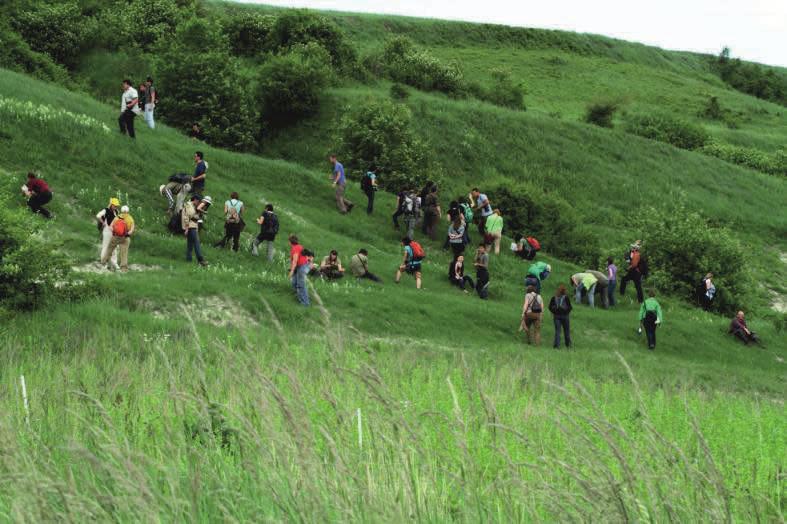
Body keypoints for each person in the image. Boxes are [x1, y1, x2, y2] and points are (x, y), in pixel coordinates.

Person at [101, 205, 135, 272]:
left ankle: (103, 262)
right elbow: (131, 230)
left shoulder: (117, 217)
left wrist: (115, 231)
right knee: (124, 253)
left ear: (121, 211)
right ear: (128, 211)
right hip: (125, 238)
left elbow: (111, 227)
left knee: (109, 250)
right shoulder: (130, 219)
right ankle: (123, 268)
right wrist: (127, 233)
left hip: (115, 237)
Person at [182, 194, 208, 266]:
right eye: (198, 201)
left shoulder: (192, 206)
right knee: (196, 242)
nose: (199, 203)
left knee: (190, 244)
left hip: (193, 226)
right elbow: (187, 217)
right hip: (191, 226)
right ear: (195, 200)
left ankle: (188, 260)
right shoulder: (189, 205)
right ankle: (200, 259)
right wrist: (187, 228)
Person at [95, 197, 120, 269]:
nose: (115, 206)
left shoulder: (117, 212)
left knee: (114, 247)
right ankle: (103, 262)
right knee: (105, 246)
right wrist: (103, 223)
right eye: (114, 205)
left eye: (116, 205)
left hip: (114, 232)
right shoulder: (106, 210)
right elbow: (98, 216)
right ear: (111, 204)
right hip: (107, 231)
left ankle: (114, 263)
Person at [288, 235, 311, 306]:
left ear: (290, 242)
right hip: (300, 267)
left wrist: (291, 271)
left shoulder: (295, 249)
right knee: (294, 283)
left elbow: (295, 260)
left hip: (301, 267)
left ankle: (305, 303)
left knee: (301, 285)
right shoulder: (299, 246)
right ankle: (302, 297)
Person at [549, 284, 573, 349]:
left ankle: (556, 346)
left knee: (557, 331)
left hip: (556, 316)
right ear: (565, 291)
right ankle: (568, 345)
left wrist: (554, 312)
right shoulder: (566, 298)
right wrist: (566, 312)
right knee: (567, 331)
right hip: (565, 316)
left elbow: (550, 307)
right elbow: (570, 307)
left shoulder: (554, 298)